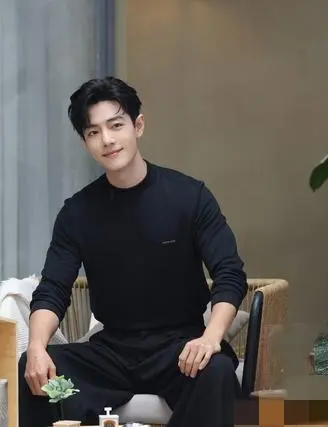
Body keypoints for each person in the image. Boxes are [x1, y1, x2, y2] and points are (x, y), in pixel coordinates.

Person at [19, 77, 248, 427]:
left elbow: (229, 274)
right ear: (85, 142)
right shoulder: (77, 212)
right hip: (111, 355)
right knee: (36, 370)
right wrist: (36, 347)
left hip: (179, 351)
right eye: (93, 132)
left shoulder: (189, 197)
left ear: (138, 126)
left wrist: (210, 338)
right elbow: (53, 289)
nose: (107, 140)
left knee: (215, 371)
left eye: (116, 125)